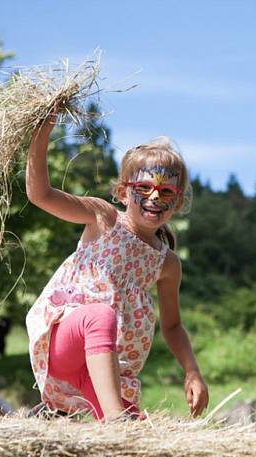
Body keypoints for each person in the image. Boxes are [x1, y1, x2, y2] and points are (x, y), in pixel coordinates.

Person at [24, 116, 209, 422]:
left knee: (138, 438)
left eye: (166, 193)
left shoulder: (167, 263)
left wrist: (192, 371)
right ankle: (114, 419)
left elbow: (173, 327)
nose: (154, 197)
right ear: (124, 192)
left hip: (107, 371)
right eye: (144, 187)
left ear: (177, 203)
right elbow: (40, 195)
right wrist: (42, 131)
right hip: (66, 347)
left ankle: (70, 415)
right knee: (100, 315)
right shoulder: (103, 219)